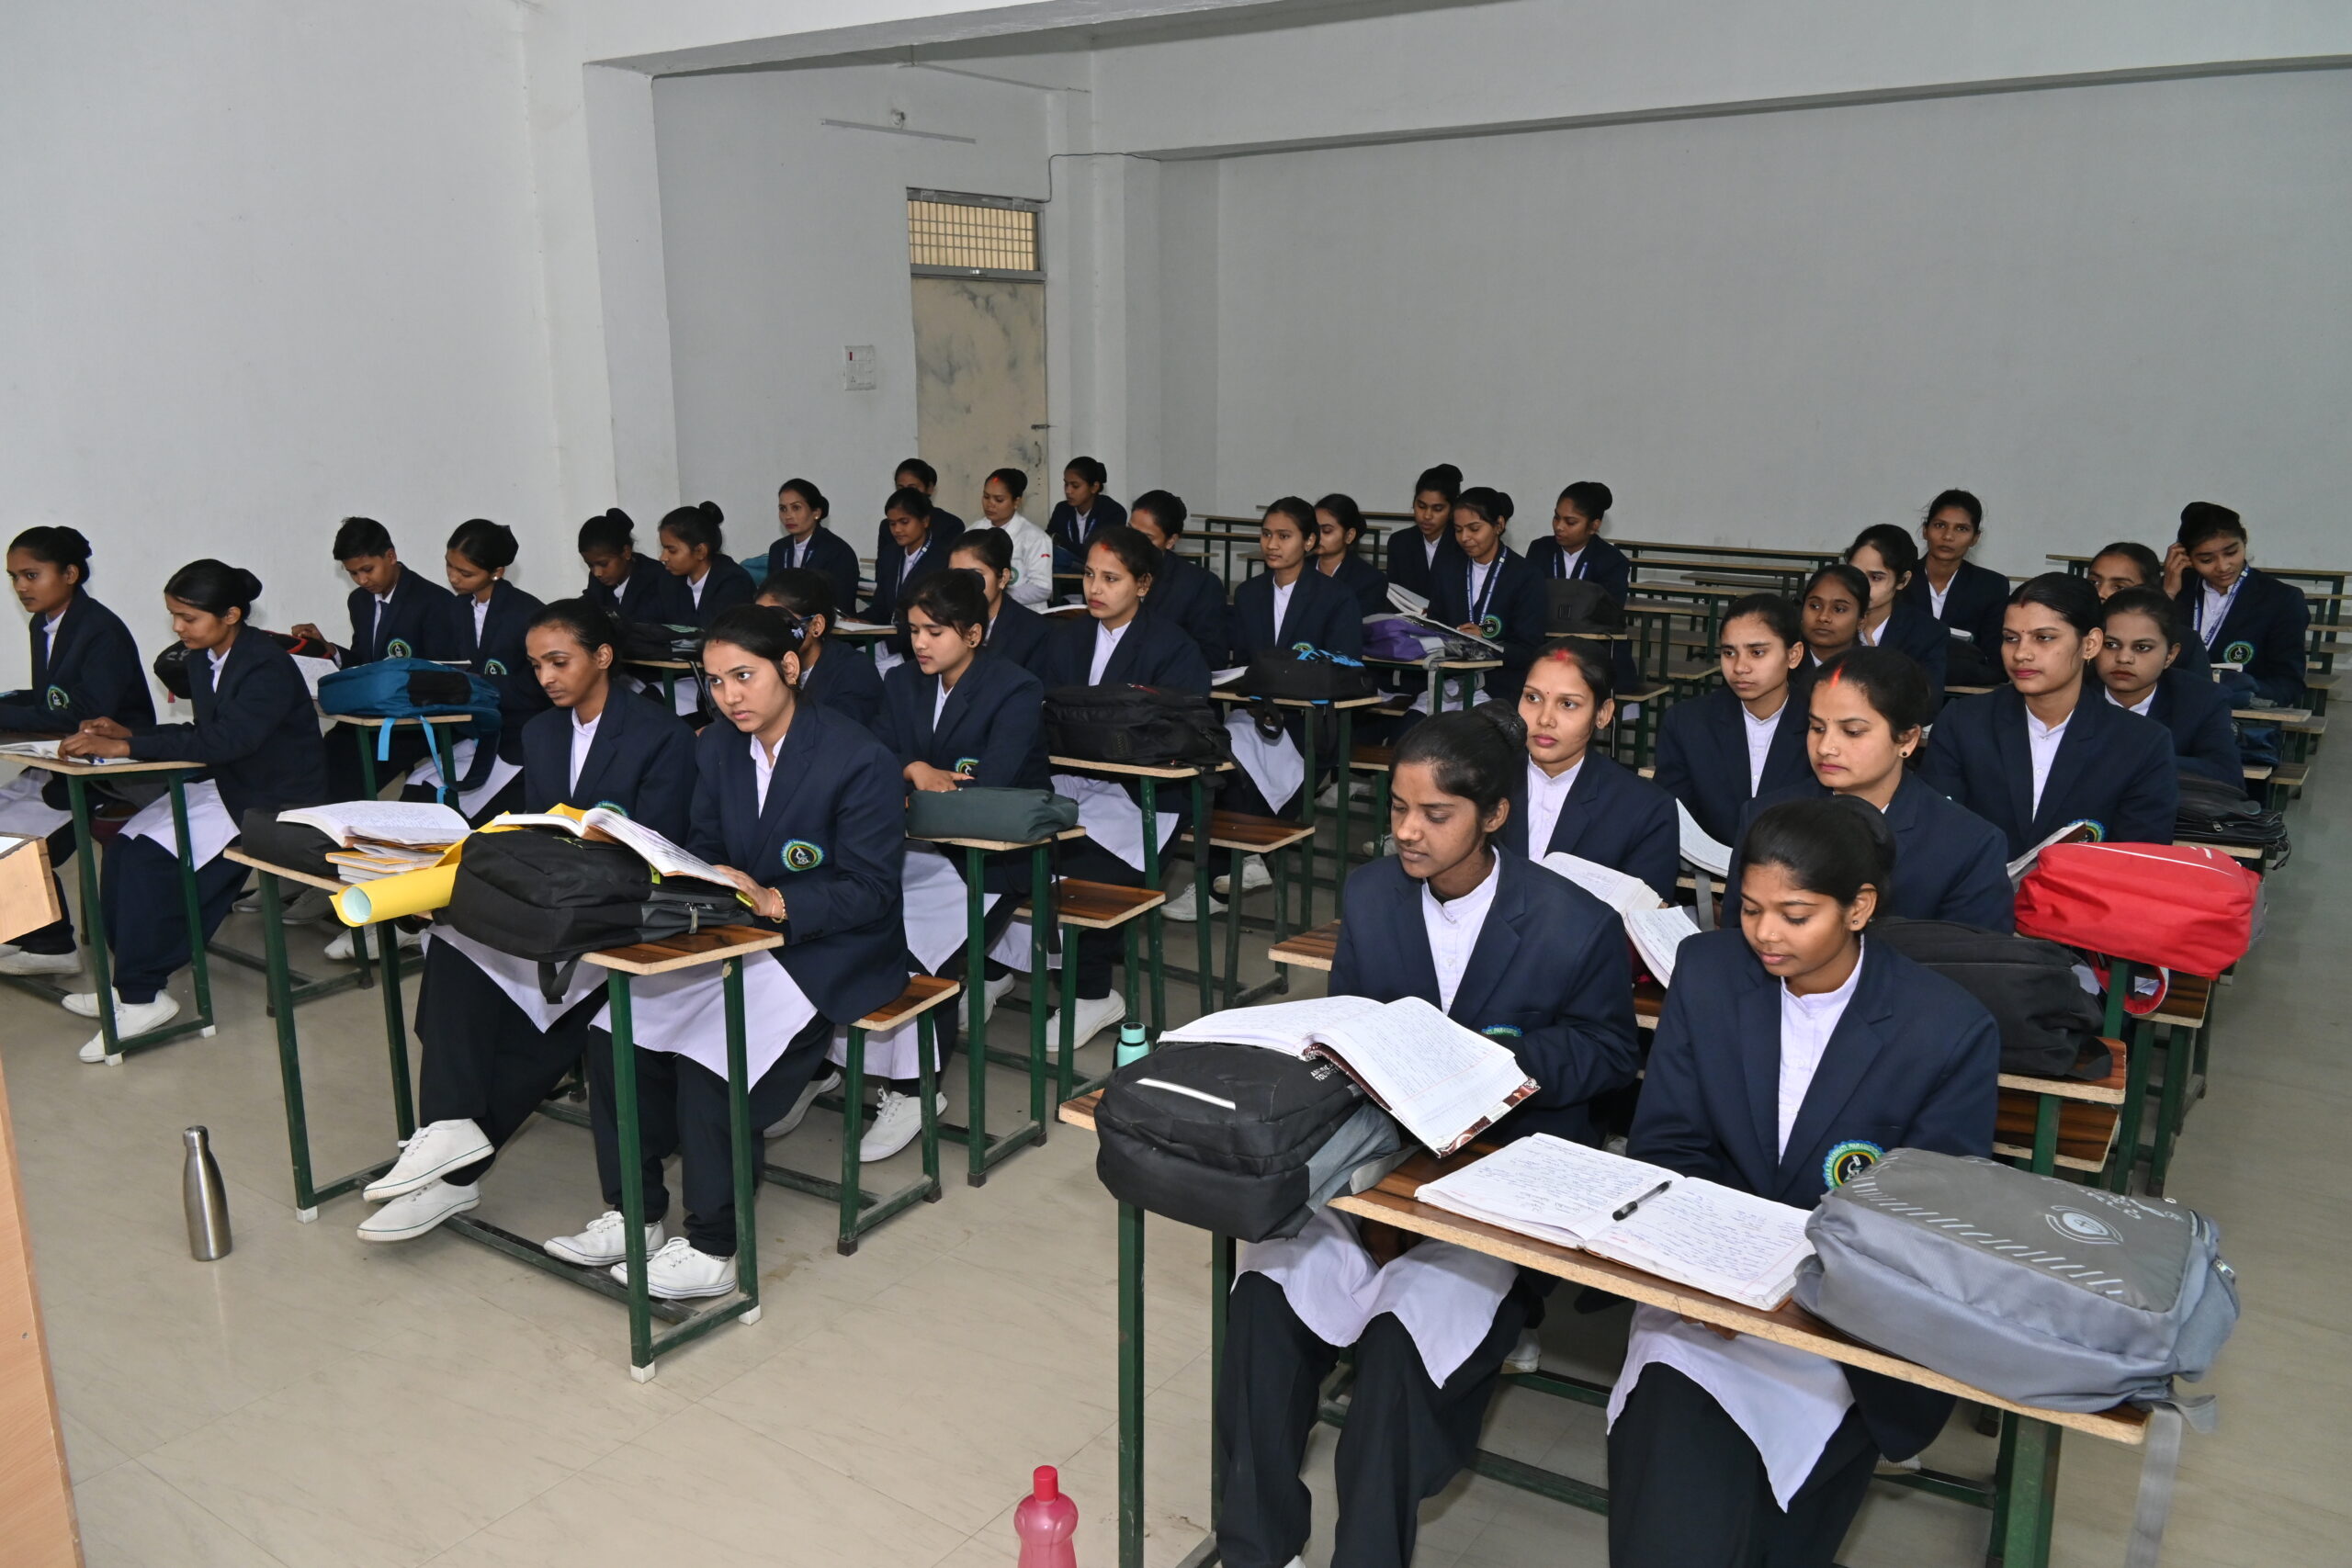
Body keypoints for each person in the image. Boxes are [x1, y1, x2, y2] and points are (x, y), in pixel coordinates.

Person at [1216, 712, 1637, 1568]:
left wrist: (1489, 1060)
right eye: (1399, 808)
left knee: (1397, 1362)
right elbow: (1351, 1024)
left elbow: (1610, 1053)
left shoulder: (1572, 921)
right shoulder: (1375, 894)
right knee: (1259, 1312)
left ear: (1494, 815)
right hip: (1376, 1166)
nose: (1408, 830)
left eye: (1435, 814)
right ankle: (1257, 1548)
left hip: (1494, 1178)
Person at [1607, 795, 1998, 1568]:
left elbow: (1927, 1224)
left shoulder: (1945, 1028)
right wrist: (1719, 1277)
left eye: (1795, 914)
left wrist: (1795, 1289)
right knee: (1673, 1459)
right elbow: (1669, 1144)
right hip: (1707, 1298)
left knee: (1769, 1517)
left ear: (1860, 907)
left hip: (1843, 1323)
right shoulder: (1710, 972)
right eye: (1749, 908)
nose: (1765, 934)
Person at [548, 604, 907, 1300]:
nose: (729, 695)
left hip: (830, 944)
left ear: (790, 668)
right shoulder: (715, 747)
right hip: (737, 930)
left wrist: (778, 901)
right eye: (714, 681)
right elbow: (708, 843)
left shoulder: (858, 757)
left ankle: (714, 1247)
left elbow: (872, 889)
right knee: (614, 1030)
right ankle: (634, 1213)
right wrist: (692, 872)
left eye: (744, 676)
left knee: (714, 1053)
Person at [354, 600, 697, 1243]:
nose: (545, 677)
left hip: (624, 911)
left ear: (603, 656)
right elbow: (539, 831)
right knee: (455, 945)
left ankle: (454, 1168)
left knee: (544, 1029)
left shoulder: (661, 736)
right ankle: (449, 1130)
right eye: (536, 665)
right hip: (558, 901)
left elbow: (662, 849)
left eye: (558, 662)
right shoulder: (543, 733)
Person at [56, 560, 326, 1061]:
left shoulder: (265, 665)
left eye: (188, 618)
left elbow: (227, 741)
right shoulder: (204, 659)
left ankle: (144, 997)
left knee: (151, 864)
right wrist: (130, 734)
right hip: (229, 784)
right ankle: (128, 985)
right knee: (123, 848)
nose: (178, 628)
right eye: (174, 616)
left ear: (231, 615)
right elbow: (204, 734)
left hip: (270, 799)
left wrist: (127, 748)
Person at [859, 570, 1049, 1161]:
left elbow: (988, 787)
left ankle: (916, 1089)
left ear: (973, 633)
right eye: (914, 629)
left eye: (934, 632)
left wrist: (911, 782)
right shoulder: (902, 681)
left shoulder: (1015, 688)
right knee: (855, 916)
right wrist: (914, 769)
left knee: (923, 952)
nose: (919, 643)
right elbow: (873, 756)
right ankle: (831, 1063)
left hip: (988, 858)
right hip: (916, 847)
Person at [1032, 527, 1211, 1047]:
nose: (1095, 588)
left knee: (1082, 866)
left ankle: (1092, 993)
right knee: (1017, 849)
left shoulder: (1172, 647)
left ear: (1143, 585)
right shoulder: (1066, 637)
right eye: (1089, 575)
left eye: (1111, 579)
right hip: (1071, 781)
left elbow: (1181, 733)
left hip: (1142, 798)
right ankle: (1000, 969)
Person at [1737, 649, 2013, 931]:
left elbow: (1973, 954)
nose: (1825, 747)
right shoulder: (1764, 817)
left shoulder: (1967, 844)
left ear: (1907, 740)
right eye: (1817, 728)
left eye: (1852, 732)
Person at [1920, 574, 2178, 857]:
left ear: (2090, 644)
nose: (2022, 654)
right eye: (2011, 638)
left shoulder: (2141, 743)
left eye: (2043, 638)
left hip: (2086, 885)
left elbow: (2139, 858)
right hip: (1978, 884)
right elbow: (1936, 834)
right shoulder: (1964, 722)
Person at [0, 526, 158, 978]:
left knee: (17, 834)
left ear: (70, 574)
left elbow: (85, 713)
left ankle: (52, 946)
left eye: (31, 575)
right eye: (14, 577)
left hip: (111, 772)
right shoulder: (44, 624)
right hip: (64, 760)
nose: (21, 587)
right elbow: (49, 699)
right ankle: (25, 930)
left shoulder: (100, 630)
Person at [1219, 498, 1365, 886]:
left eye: (1284, 536)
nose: (1272, 544)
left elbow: (1346, 664)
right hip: (1256, 713)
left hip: (1309, 721)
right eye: (1266, 534)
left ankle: (1246, 857)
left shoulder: (1335, 597)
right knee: (1223, 751)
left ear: (1309, 542)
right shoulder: (1249, 593)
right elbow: (1241, 659)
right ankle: (1244, 858)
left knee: (1249, 759)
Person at [1498, 641, 1677, 901]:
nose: (1545, 719)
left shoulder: (1645, 809)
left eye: (1568, 704)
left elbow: (1643, 915)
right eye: (1533, 698)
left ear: (1603, 714)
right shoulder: (1482, 781)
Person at [401, 518, 544, 829]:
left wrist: (480, 685)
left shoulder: (528, 613)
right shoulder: (455, 609)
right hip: (474, 732)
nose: (453, 577)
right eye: (449, 566)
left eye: (465, 573)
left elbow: (537, 688)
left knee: (465, 815)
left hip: (517, 736)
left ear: (497, 572)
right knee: (416, 794)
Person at [1651, 592, 1814, 848]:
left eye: (1757, 652)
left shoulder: (1820, 724)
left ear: (1793, 655)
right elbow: (1675, 818)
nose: (1739, 667)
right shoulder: (1687, 722)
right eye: (1729, 653)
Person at [2166, 502, 2308, 707]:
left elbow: (2289, 684)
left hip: (2240, 715)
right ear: (2186, 558)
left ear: (2244, 541)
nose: (2223, 566)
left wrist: (2247, 688)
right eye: (2206, 560)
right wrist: (2168, 594)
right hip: (2170, 710)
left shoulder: (2281, 599)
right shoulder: (2175, 590)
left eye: (2231, 552)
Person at [2098, 587, 2240, 784]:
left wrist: (2134, 760)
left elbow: (2226, 774)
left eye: (2142, 648)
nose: (2124, 658)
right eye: (2111, 644)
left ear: (2170, 656)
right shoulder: (2071, 692)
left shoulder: (2202, 700)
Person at [1430, 486, 1544, 701]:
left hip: (1500, 686)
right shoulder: (1448, 570)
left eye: (1474, 529)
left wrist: (1486, 643)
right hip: (1449, 681)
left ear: (1498, 525)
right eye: (1458, 530)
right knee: (1413, 721)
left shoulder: (1526, 576)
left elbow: (1528, 649)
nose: (1464, 537)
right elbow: (1435, 626)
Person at [1897, 490, 2008, 683]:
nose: (1948, 536)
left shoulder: (1991, 587)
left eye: (1961, 529)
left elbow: (1996, 665)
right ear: (1925, 530)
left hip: (1964, 694)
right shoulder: (1899, 579)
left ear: (1975, 538)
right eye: (1940, 525)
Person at [757, 569, 883, 733]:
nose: (767, 632)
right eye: (759, 621)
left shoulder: (854, 671)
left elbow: (836, 734)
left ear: (816, 626)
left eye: (779, 621)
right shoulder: (759, 663)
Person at [1844, 524, 1947, 710]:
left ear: (1903, 580)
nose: (1862, 585)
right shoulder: (1827, 621)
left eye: (1876, 578)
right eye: (1855, 573)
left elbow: (1928, 703)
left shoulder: (1927, 633)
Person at [1128, 489, 1227, 670]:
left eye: (1147, 538)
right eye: (1130, 531)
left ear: (1171, 541)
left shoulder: (1200, 584)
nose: (1134, 543)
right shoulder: (1112, 572)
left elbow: (1212, 656)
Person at [2088, 540, 2209, 676]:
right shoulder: (2077, 631)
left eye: (2119, 587)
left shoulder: (2185, 640)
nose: (2100, 593)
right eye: (2094, 582)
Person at [948, 528, 1053, 682]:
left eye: (975, 575)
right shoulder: (940, 622)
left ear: (1003, 578)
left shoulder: (1035, 632)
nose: (963, 585)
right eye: (955, 575)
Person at [760, 479, 862, 616]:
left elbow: (841, 605)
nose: (788, 516)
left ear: (816, 512)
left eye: (796, 508)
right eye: (783, 509)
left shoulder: (838, 551)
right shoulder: (778, 549)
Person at [653, 501, 756, 634]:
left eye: (672, 550)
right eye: (663, 548)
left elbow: (717, 635)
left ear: (700, 551)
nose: (663, 557)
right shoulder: (668, 580)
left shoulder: (734, 582)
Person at [864, 485, 945, 646]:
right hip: (888, 641)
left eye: (904, 522)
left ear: (925, 521)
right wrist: (859, 621)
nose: (897, 530)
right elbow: (880, 609)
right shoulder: (890, 554)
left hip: (920, 644)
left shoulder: (941, 559)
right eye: (892, 524)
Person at [1524, 481, 1630, 600]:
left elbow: (1610, 609)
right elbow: (1526, 598)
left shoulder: (1612, 562)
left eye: (1570, 522)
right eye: (1556, 517)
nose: (1559, 527)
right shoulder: (1540, 549)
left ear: (1594, 526)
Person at [975, 467, 1056, 609]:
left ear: (1016, 502)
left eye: (999, 500)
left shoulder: (1035, 538)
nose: (990, 504)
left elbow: (1043, 587)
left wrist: (998, 596)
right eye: (986, 497)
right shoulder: (973, 532)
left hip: (1025, 613)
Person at [1384, 463, 1464, 602]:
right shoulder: (1400, 542)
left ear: (1452, 510)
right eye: (1421, 506)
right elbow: (1394, 593)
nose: (1427, 516)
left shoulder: (1462, 543)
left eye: (1437, 509)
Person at [576, 509, 669, 624]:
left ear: (626, 552)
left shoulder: (657, 579)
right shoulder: (597, 582)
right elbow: (588, 606)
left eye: (604, 564)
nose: (597, 573)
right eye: (590, 565)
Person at [1311, 492, 1390, 617]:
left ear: (1349, 535)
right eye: (1314, 529)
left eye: (1326, 531)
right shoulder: (1297, 569)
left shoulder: (1370, 580)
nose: (1317, 536)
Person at [1046, 456, 1126, 571]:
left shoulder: (1113, 511)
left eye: (1075, 486)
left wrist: (1062, 544)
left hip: (1099, 570)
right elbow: (1048, 541)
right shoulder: (1062, 509)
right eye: (1066, 484)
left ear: (1094, 487)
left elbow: (1103, 552)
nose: (1068, 491)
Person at [1798, 564, 1867, 669]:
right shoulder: (1783, 663)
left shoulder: (1875, 672)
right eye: (1815, 606)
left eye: (1839, 609)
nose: (1823, 617)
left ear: (1861, 621)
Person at [891, 457, 967, 546]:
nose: (906, 494)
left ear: (929, 488)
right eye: (900, 488)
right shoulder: (889, 526)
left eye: (912, 488)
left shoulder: (950, 525)